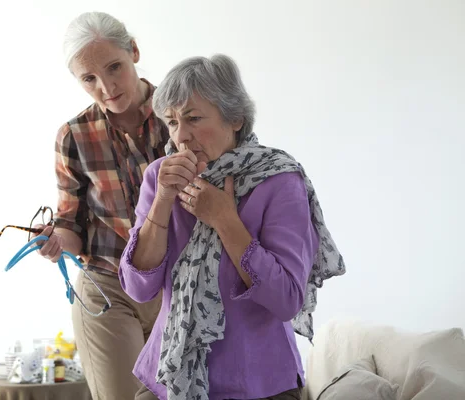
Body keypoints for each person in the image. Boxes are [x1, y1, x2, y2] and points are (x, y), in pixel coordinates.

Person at [119, 54, 345, 400]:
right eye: (171, 122)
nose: (181, 136)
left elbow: (287, 300)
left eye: (193, 118)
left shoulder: (280, 180)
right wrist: (162, 200)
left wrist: (225, 220)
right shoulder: (159, 176)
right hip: (170, 379)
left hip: (261, 383)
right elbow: (137, 288)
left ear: (236, 118)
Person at [33, 12, 168, 400]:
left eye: (114, 68)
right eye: (88, 78)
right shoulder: (73, 136)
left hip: (177, 285)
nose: (106, 86)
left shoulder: (178, 117)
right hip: (108, 288)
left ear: (134, 52)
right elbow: (70, 225)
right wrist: (54, 239)